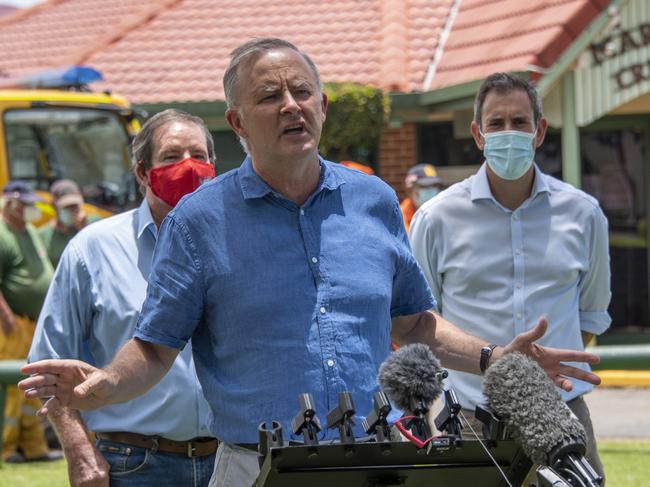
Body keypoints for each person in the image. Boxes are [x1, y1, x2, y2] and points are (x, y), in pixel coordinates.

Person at [19, 39, 601, 487]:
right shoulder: (199, 220)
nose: (290, 105)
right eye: (269, 96)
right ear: (238, 123)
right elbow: (155, 347)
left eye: (302, 92)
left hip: (375, 463)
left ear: (322, 107)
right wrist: (100, 387)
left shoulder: (372, 200)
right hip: (253, 468)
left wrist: (493, 358)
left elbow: (415, 323)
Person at [409, 72, 610, 482]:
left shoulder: (584, 214)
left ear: (539, 131)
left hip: (563, 417)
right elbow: (419, 322)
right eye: (496, 123)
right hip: (470, 419)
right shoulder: (436, 218)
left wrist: (544, 376)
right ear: (477, 134)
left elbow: (590, 314)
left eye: (519, 122)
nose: (508, 133)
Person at [27, 109, 218, 487]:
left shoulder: (234, 246)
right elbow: (47, 363)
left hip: (228, 461)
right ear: (142, 173)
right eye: (171, 157)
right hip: (134, 464)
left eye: (198, 156)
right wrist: (79, 451)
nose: (188, 167)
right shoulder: (93, 249)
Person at [0, 181, 60, 463]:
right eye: (24, 204)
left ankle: (35, 448)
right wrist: (7, 318)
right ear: (10, 204)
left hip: (32, 322)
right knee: (11, 389)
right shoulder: (2, 233)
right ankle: (6, 449)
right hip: (12, 323)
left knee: (32, 387)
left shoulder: (30, 231)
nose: (29, 209)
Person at [38, 179, 101, 268]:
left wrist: (84, 230)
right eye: (67, 207)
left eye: (75, 206)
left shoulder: (94, 224)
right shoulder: (43, 235)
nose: (72, 211)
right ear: (54, 206)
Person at [400, 164, 445, 232]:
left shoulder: (443, 211)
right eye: (425, 186)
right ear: (409, 190)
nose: (431, 190)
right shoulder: (401, 215)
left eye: (434, 186)